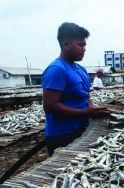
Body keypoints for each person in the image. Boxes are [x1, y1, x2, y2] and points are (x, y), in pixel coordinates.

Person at [41, 22, 110, 156]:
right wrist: (86, 112)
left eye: (85, 45)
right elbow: (50, 106)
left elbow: (85, 96)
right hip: (62, 135)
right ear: (66, 45)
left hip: (82, 129)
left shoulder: (81, 69)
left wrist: (92, 108)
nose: (84, 49)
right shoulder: (57, 69)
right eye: (80, 45)